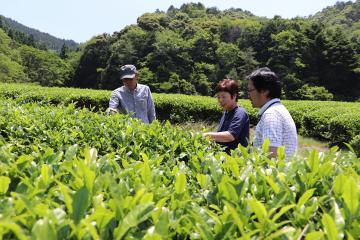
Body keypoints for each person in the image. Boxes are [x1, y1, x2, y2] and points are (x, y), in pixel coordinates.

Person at [247, 67, 297, 158]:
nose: (248, 95)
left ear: (265, 91)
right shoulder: (276, 110)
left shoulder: (271, 115)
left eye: (250, 90)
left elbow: (272, 156)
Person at [204, 79, 250, 154]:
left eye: (223, 97)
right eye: (218, 97)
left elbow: (230, 136)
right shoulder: (226, 112)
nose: (220, 100)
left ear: (234, 96)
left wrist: (207, 135)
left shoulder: (240, 113)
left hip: (235, 160)